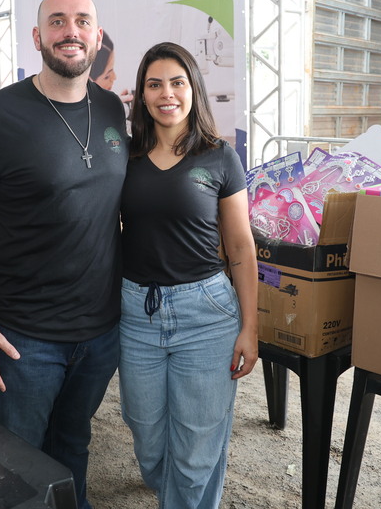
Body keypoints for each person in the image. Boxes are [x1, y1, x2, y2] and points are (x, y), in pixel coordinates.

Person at [0, 0, 128, 509]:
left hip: (99, 334)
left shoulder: (112, 109)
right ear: (37, 36)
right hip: (23, 340)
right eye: (57, 21)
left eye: (82, 21)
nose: (71, 32)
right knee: (12, 465)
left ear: (97, 36)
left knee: (72, 444)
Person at [118, 41, 258, 509]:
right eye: (154, 84)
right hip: (136, 313)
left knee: (197, 448)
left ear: (194, 88)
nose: (167, 94)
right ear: (141, 95)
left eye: (177, 82)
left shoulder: (219, 156)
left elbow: (240, 247)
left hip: (207, 314)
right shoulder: (125, 157)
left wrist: (250, 327)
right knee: (147, 435)